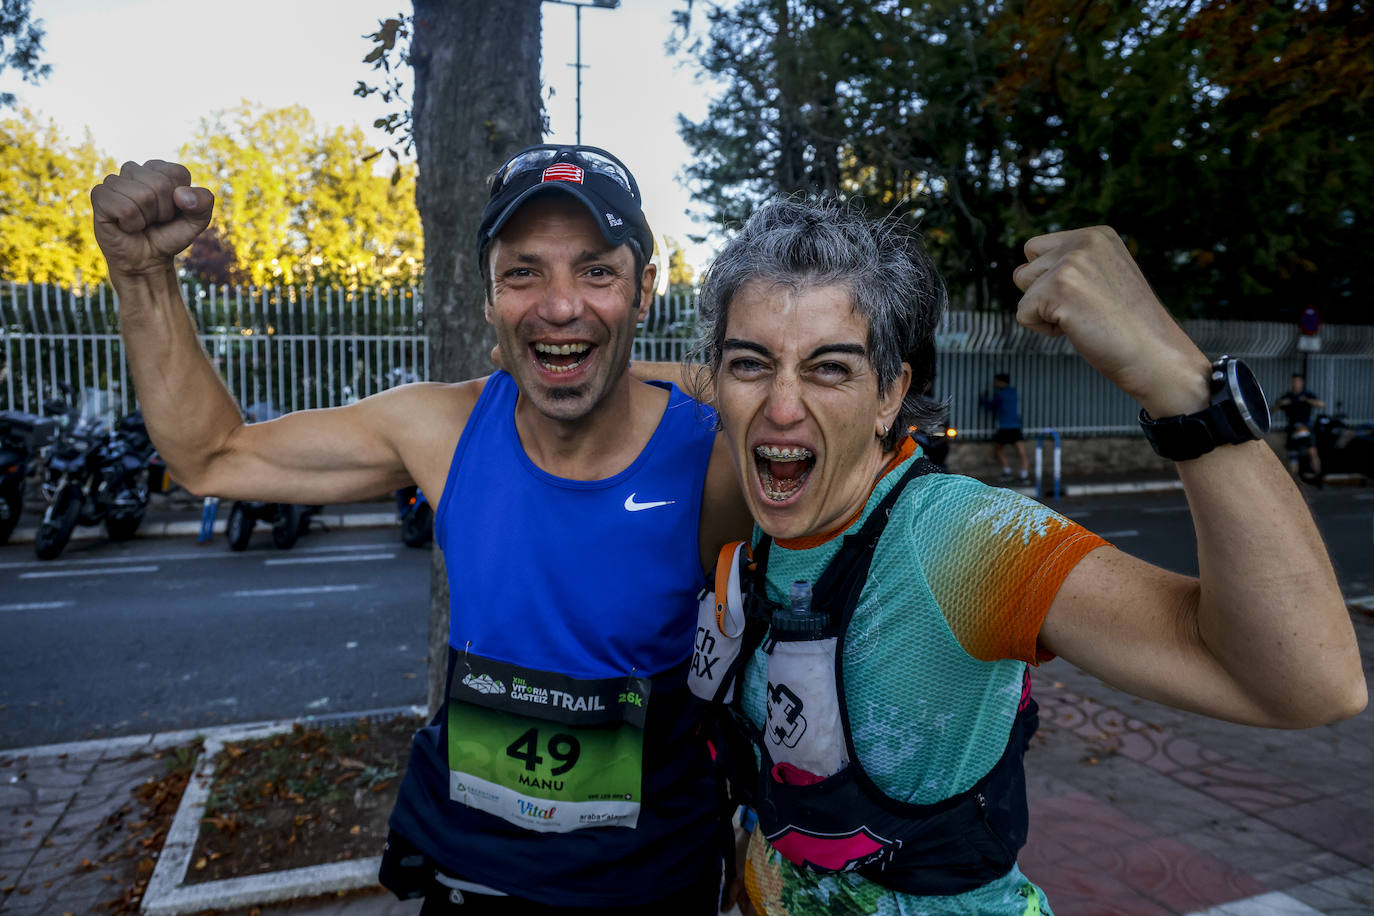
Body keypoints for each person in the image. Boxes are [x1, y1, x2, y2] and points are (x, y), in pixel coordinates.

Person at [89, 146, 751, 914]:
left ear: (644, 292)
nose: (560, 304)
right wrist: (140, 275)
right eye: (523, 272)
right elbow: (212, 456)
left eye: (597, 271)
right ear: (489, 301)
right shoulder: (442, 429)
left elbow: (798, 394)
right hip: (467, 867)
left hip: (647, 879)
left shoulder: (713, 452)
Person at [685, 197, 1364, 916]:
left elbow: (1311, 684)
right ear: (720, 382)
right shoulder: (761, 516)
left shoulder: (956, 537)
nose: (781, 406)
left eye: (829, 369)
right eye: (751, 364)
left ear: (890, 394)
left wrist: (1175, 379)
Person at [1273, 372, 1325, 477]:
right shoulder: (1288, 396)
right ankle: (1294, 481)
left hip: (1305, 426)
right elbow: (1272, 410)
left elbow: (1321, 404)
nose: (1295, 384)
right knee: (1292, 455)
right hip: (1292, 427)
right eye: (1293, 382)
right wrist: (1280, 403)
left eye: (1297, 382)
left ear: (1302, 383)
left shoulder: (1307, 394)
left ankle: (1318, 476)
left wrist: (1308, 400)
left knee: (1312, 452)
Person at [979, 372, 1029, 481]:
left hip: (1005, 426)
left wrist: (982, 400)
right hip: (1016, 425)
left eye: (996, 381)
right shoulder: (1014, 392)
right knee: (1021, 451)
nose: (995, 383)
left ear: (1001, 382)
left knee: (998, 450)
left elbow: (992, 407)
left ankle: (1007, 471)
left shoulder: (1000, 395)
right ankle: (1024, 474)